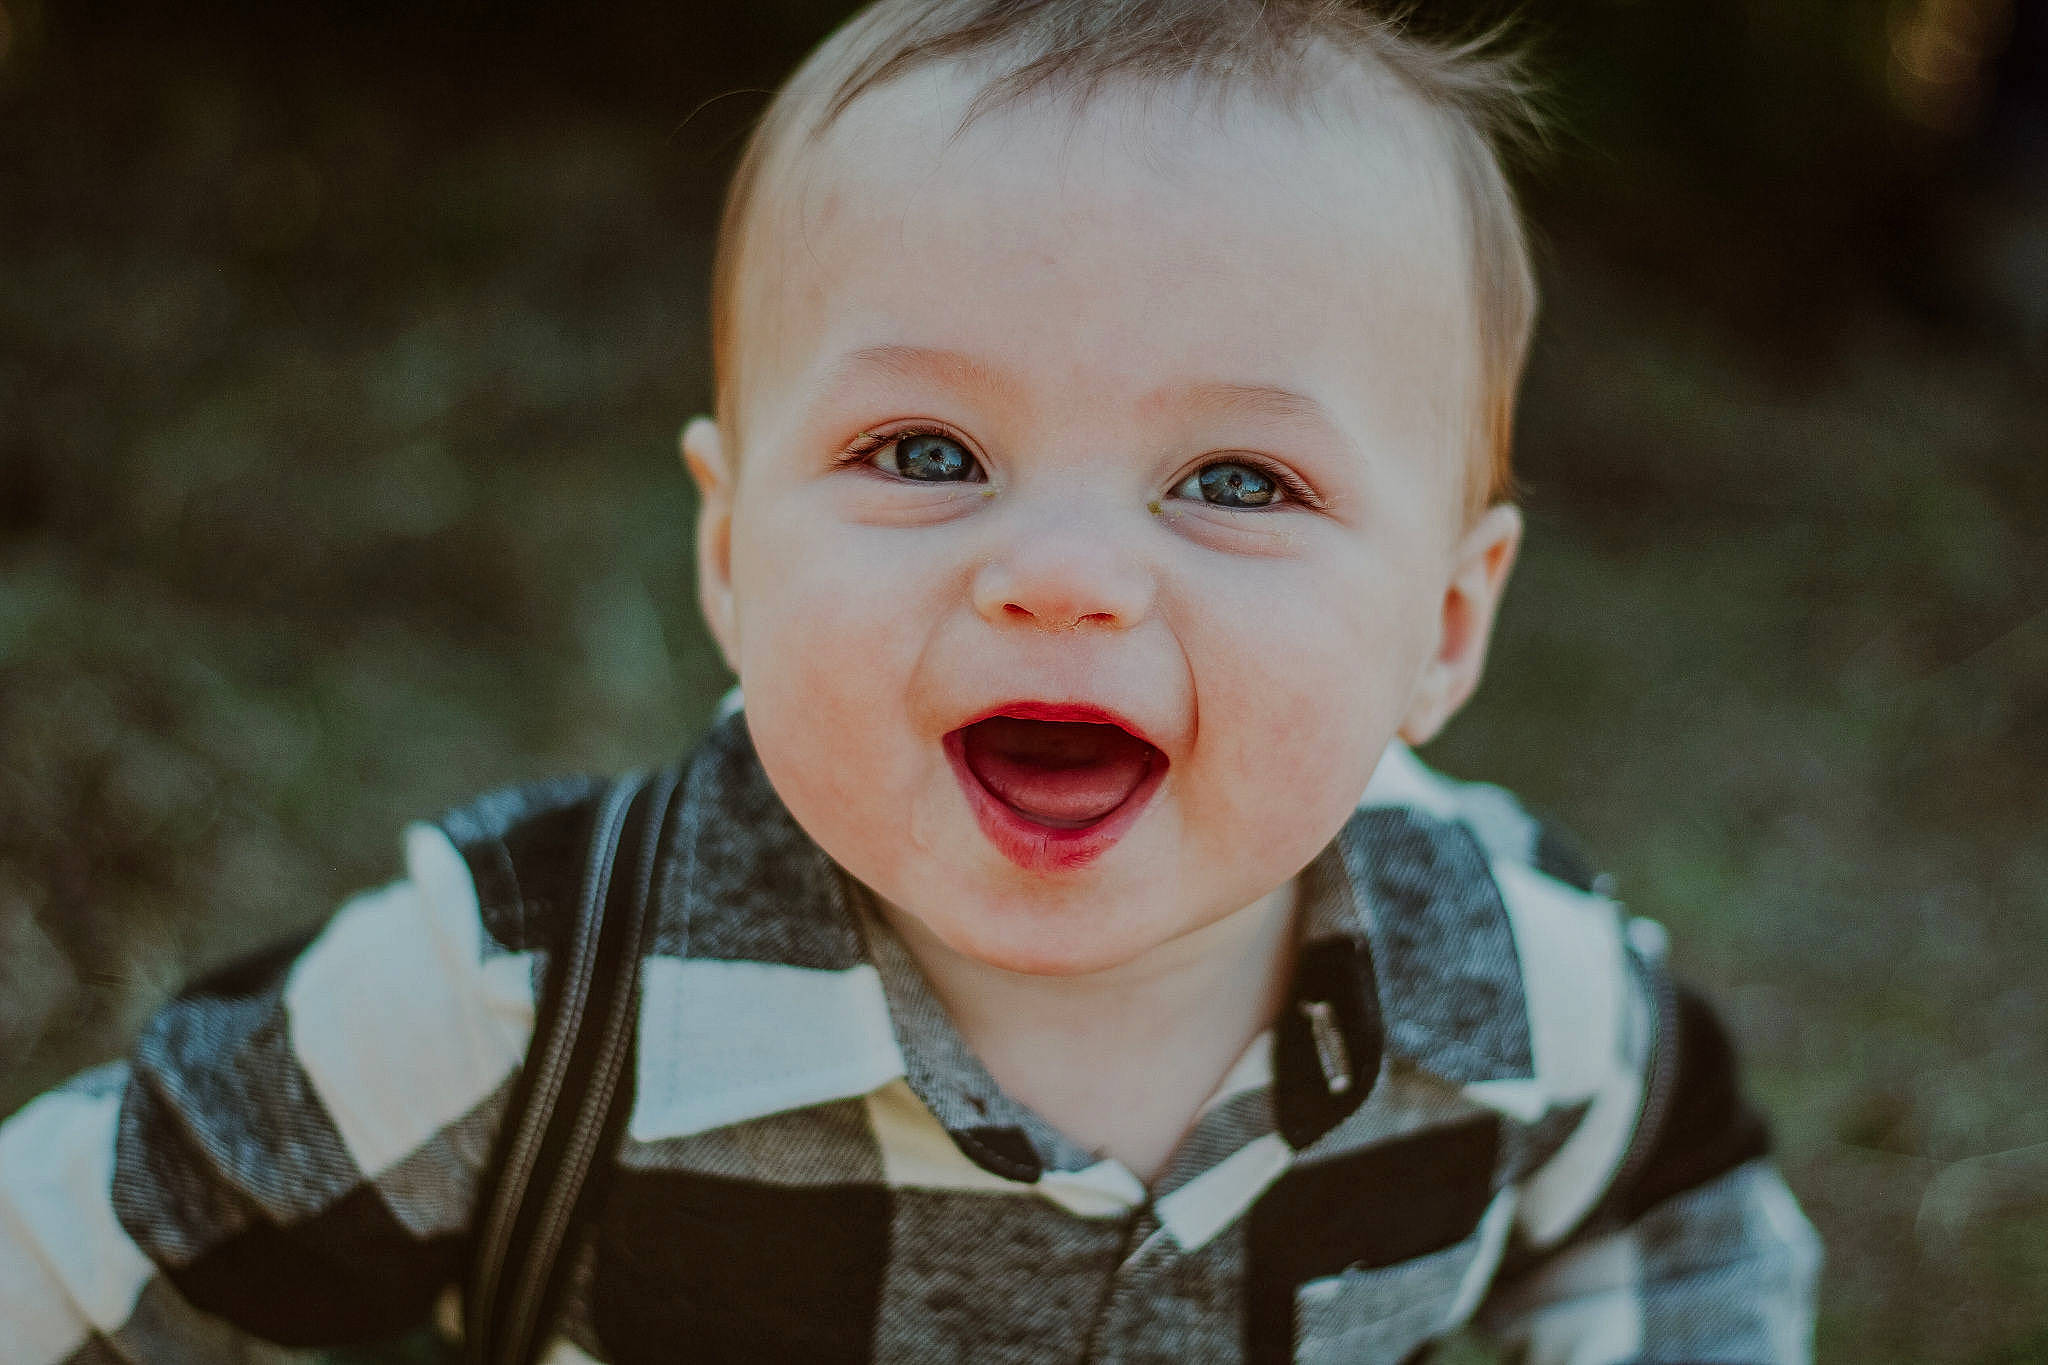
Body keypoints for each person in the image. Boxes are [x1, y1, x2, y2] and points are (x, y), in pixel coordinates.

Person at [0, 1, 1823, 1361]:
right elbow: (71, 1260)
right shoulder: (525, 993)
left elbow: (1682, 1226)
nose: (1060, 577)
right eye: (929, 450)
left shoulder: (1524, 987)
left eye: (1238, 481)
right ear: (728, 552)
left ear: (1444, 621)